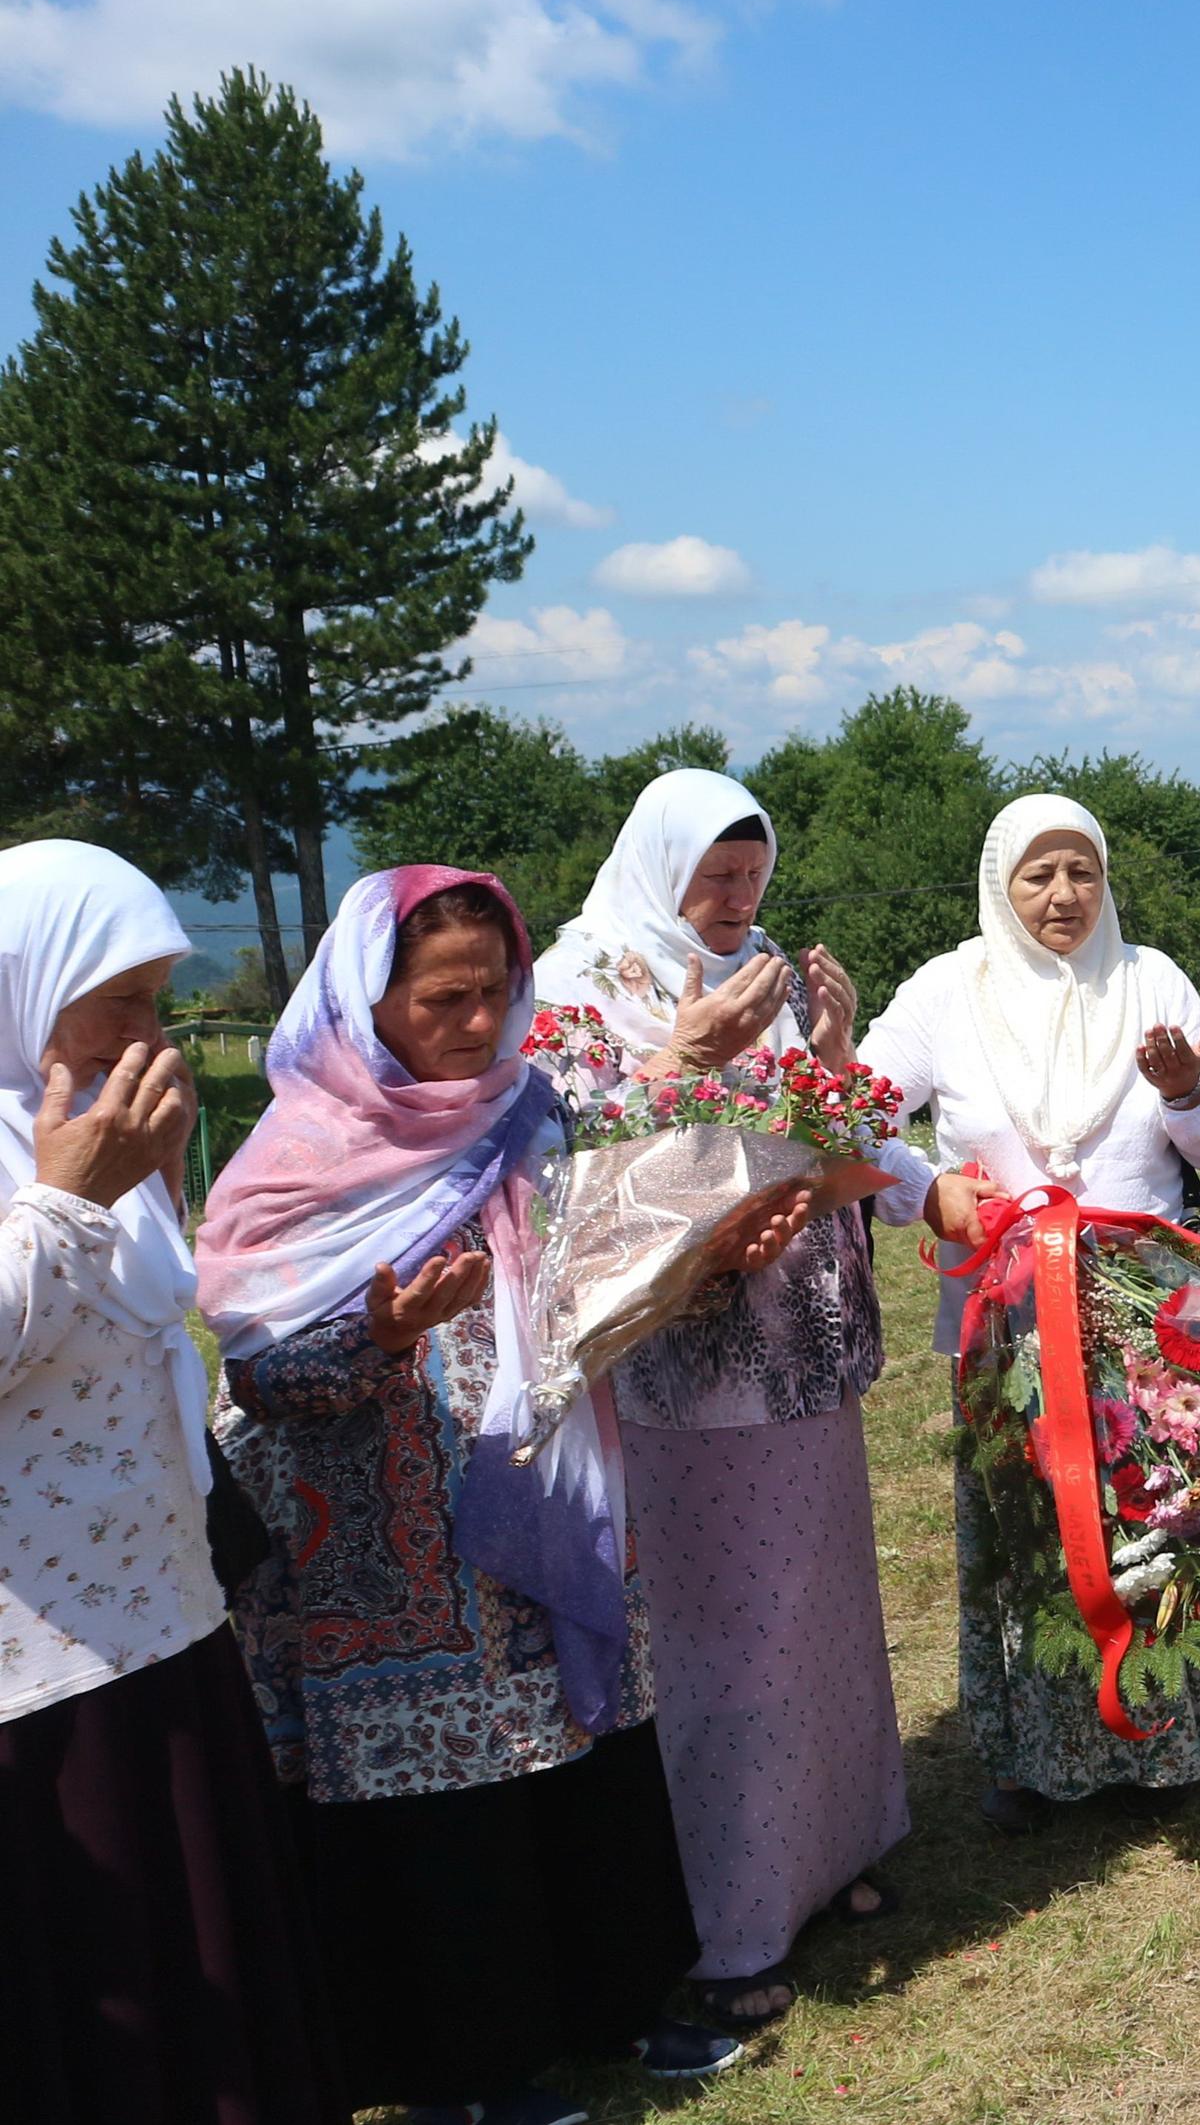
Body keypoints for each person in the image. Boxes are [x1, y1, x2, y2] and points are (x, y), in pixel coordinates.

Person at [203, 867, 814, 2111]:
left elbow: (594, 1285)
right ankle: (468, 2065)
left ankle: (611, 2005)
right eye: (442, 999)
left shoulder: (531, 1112)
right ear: (365, 1003)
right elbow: (262, 1381)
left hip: (555, 1479)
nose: (478, 1024)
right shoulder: (299, 1158)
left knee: (582, 1755)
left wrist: (697, 1266)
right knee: (445, 1797)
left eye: (496, 992)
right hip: (386, 1541)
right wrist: (380, 1334)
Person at [530, 769, 979, 2026]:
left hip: (804, 1345)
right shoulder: (583, 985)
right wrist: (684, 1057)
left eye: (753, 878)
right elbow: (566, 1164)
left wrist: (832, 1054)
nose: (736, 901)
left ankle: (832, 1854)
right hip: (692, 1361)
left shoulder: (765, 965)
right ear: (657, 867)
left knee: (823, 1609)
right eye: (715, 880)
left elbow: (823, 1121)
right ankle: (735, 1916)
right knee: (728, 1635)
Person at [0, 841, 337, 2125]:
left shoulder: (90, 1133)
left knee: (197, 1932)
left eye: (158, 998)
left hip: (167, 1614)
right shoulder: (56, 1154)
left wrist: (121, 1187)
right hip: (40, 1664)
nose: (151, 1033)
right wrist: (64, 1199)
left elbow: (150, 1325)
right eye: (121, 1002)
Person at [858, 794, 1200, 1832]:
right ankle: (1034, 1754)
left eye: (1081, 872)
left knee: (1159, 1516)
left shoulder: (1150, 978)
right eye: (1039, 874)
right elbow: (852, 1116)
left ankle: (1168, 1742)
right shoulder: (948, 992)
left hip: (1149, 1316)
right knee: (1028, 1528)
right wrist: (930, 1187)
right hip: (1008, 1319)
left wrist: (1186, 1093)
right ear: (1002, 881)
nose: (1063, 895)